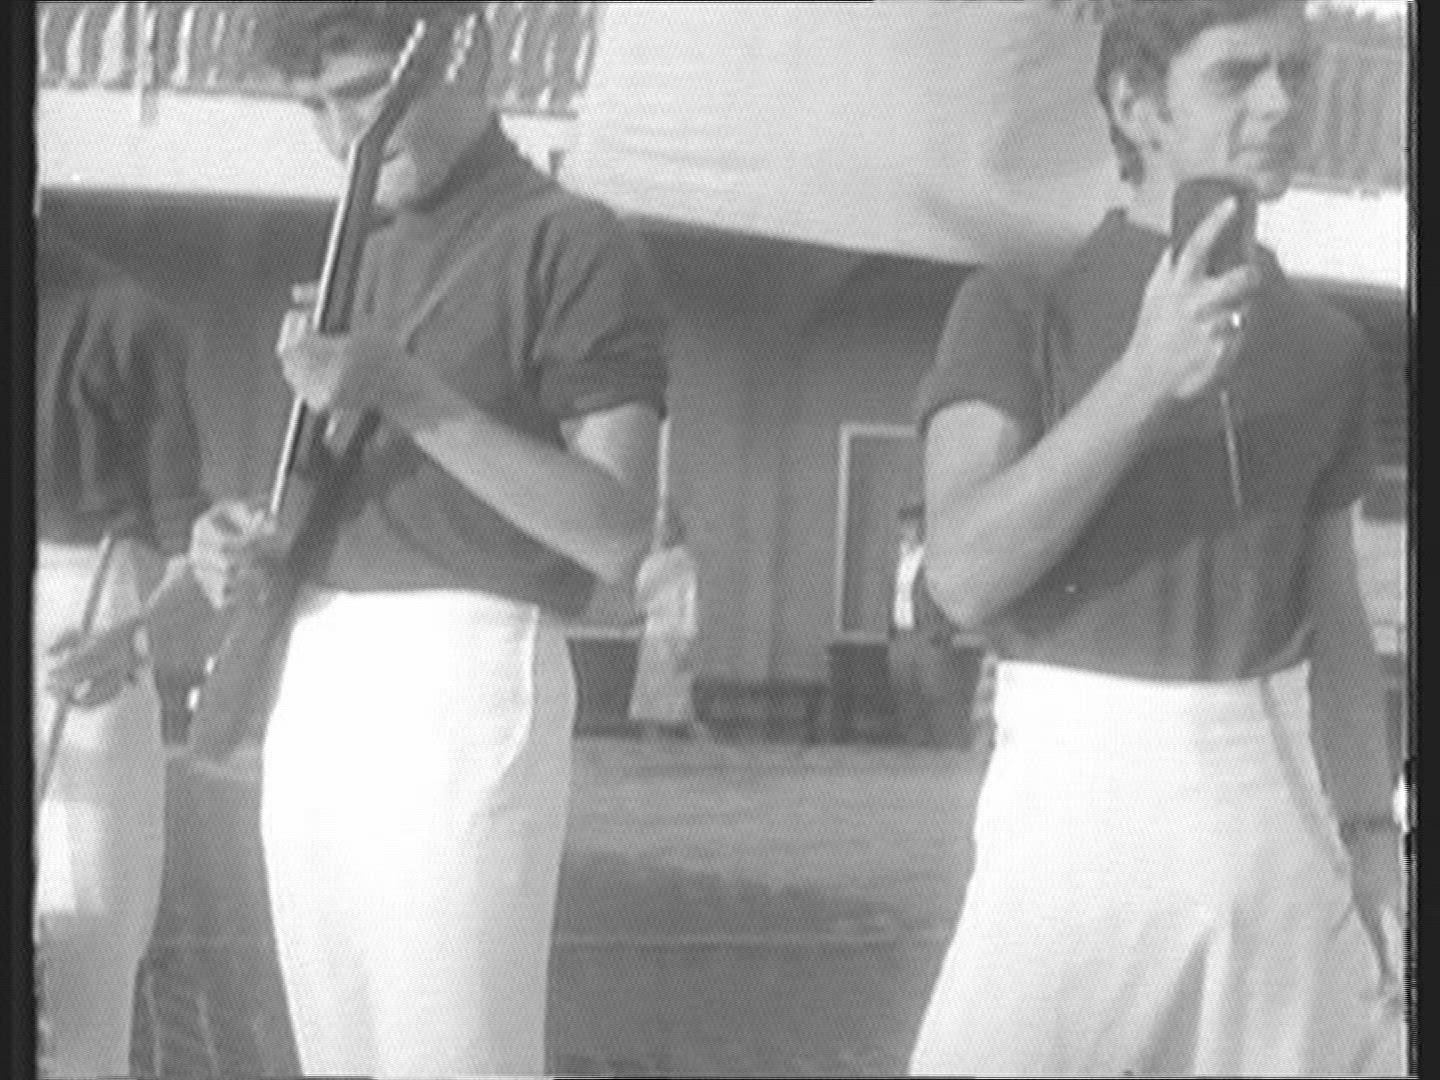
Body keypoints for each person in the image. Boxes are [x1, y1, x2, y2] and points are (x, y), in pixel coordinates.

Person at [909, 1, 1405, 1075]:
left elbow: (1338, 622)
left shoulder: (1330, 348)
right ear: (1137, 105)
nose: (1280, 102)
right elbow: (961, 575)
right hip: (1073, 811)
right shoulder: (1017, 303)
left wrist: (1376, 840)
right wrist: (1143, 379)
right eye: (1237, 76)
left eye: (1295, 71)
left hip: (1272, 805)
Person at [187, 4, 668, 1076]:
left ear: (467, 54)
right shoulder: (356, 251)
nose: (341, 137)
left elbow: (615, 530)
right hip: (320, 668)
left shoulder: (572, 239)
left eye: (364, 94)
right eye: (313, 108)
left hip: (466, 674)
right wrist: (249, 541)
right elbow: (350, 493)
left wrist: (405, 392)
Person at [34, 220, 208, 1078]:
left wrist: (130, 641)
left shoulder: (121, 321)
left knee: (86, 977)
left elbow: (199, 557)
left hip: (77, 636)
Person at [887, 503, 978, 749]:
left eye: (916, 525)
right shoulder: (896, 558)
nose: (910, 530)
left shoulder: (938, 558)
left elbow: (958, 594)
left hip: (929, 637)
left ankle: (949, 756)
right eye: (906, 525)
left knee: (939, 698)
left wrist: (945, 631)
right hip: (901, 637)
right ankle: (915, 757)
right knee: (906, 700)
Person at [627, 512, 705, 739]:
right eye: (659, 530)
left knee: (676, 687)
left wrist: (689, 636)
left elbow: (689, 601)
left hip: (676, 633)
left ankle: (687, 729)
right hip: (655, 632)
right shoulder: (650, 563)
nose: (661, 534)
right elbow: (641, 600)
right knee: (651, 686)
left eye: (666, 530)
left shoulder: (684, 564)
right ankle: (651, 734)